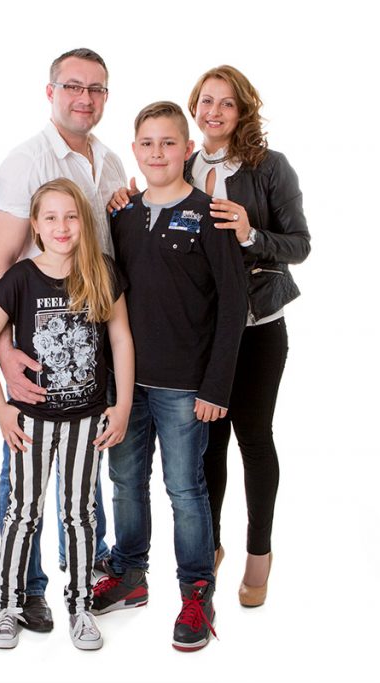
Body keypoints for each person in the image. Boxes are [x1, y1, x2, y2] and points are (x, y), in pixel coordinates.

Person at [0, 47, 129, 632]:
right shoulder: (26, 161)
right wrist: (4, 354)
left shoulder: (111, 163)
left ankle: (82, 583)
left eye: (96, 89)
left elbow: (110, 256)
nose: (84, 98)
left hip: (92, 352)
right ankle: (26, 591)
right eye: (73, 86)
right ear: (51, 92)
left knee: (82, 480)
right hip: (37, 357)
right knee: (23, 482)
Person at [94, 102, 246, 652]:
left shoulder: (210, 215)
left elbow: (233, 306)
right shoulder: (123, 215)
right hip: (127, 384)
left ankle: (197, 592)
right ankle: (130, 574)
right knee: (125, 482)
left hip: (186, 387)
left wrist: (216, 386)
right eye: (147, 143)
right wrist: (108, 383)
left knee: (185, 489)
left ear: (187, 149)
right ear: (134, 149)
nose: (157, 153)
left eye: (168, 143)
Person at [0, 178, 135, 651]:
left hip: (87, 419)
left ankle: (81, 608)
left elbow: (121, 338)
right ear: (36, 227)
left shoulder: (100, 271)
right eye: (51, 218)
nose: (62, 226)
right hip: (31, 421)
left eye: (71, 216)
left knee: (80, 514)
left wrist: (122, 404)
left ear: (83, 222)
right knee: (23, 512)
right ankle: (8, 605)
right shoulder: (20, 278)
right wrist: (1, 409)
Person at [185, 65, 310, 607]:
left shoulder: (269, 167)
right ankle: (209, 546)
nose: (214, 111)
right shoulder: (182, 165)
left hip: (258, 326)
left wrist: (250, 233)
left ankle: (259, 552)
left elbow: (300, 244)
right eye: (206, 101)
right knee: (207, 442)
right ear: (194, 106)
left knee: (253, 438)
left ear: (242, 112)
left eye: (226, 103)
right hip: (204, 329)